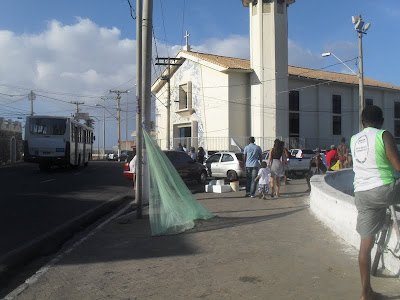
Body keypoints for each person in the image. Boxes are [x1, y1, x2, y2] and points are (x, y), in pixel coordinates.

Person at [350, 105, 400, 300]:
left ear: (362, 123)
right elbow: (397, 165)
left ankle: (366, 293)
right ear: (381, 122)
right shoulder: (384, 135)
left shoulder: (354, 139)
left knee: (365, 246)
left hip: (362, 194)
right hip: (385, 190)